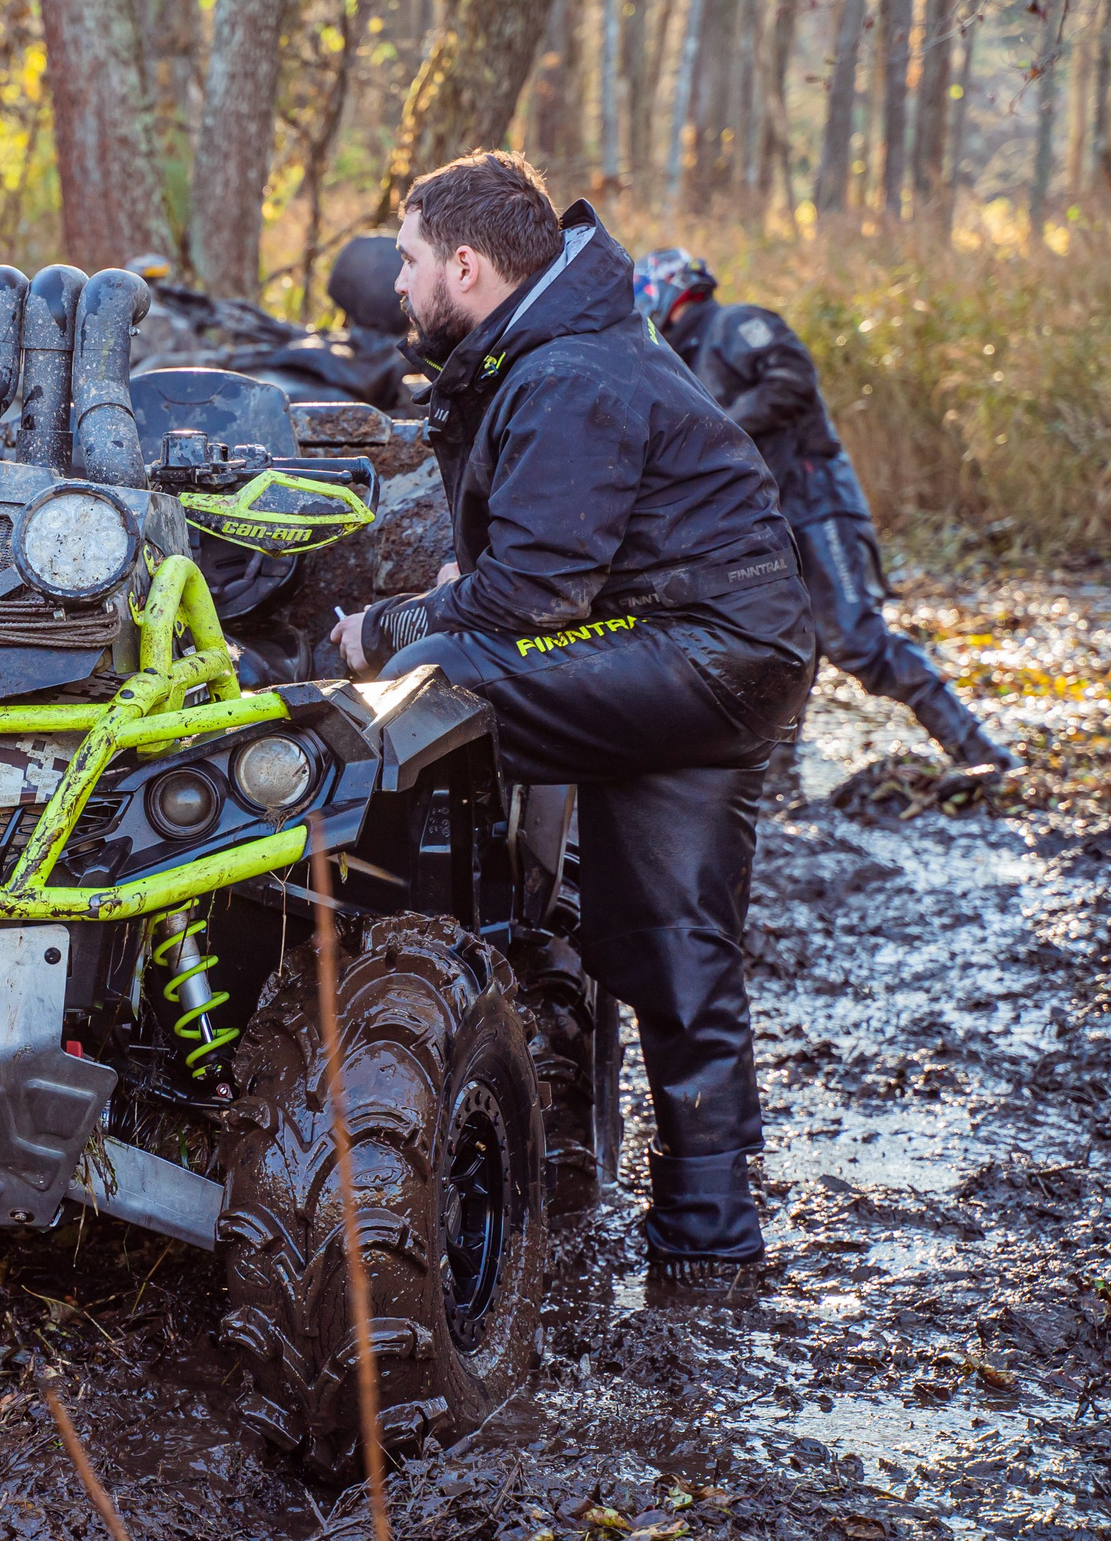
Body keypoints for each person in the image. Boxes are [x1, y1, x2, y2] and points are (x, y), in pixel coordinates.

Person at [327, 152, 815, 1288]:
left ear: (464, 263)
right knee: (674, 941)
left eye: (405, 261)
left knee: (439, 672)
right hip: (727, 655)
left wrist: (385, 631)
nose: (394, 285)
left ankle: (381, 923)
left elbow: (526, 604)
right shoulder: (569, 351)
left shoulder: (566, 375)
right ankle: (709, 1244)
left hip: (695, 653)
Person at [634, 248, 1015, 772]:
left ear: (666, 290)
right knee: (785, 648)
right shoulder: (686, 363)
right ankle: (777, 778)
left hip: (819, 505)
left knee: (857, 641)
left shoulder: (737, 324)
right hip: (772, 528)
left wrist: (720, 428)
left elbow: (791, 379)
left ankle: (983, 754)